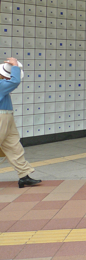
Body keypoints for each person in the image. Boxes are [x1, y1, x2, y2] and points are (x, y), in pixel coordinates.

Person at [0, 57, 41, 188]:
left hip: (7, 118)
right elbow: (15, 81)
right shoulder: (1, 84)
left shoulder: (2, 84)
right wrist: (15, 66)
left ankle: (24, 176)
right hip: (2, 118)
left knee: (14, 147)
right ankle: (24, 176)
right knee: (13, 146)